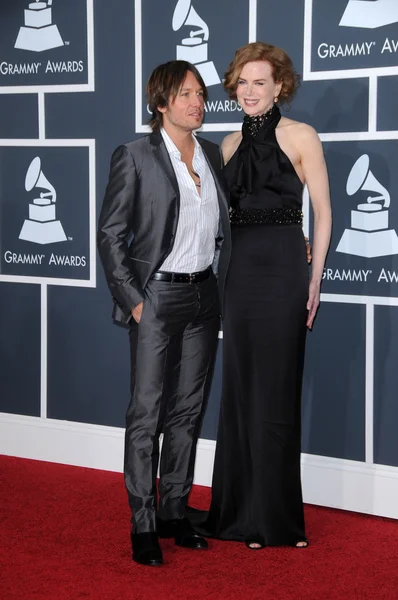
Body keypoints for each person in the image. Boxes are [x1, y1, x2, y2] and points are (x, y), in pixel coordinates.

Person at [195, 42, 332, 549]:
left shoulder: (302, 136)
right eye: (242, 83)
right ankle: (238, 513)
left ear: (280, 87)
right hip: (240, 274)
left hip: (283, 272)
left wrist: (314, 276)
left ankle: (274, 519)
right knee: (240, 388)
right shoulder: (227, 145)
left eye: (260, 82)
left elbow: (322, 209)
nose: (249, 92)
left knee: (277, 389)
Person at [97, 60, 231, 566]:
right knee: (146, 412)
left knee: (187, 411)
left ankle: (175, 511)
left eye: (200, 94)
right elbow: (110, 235)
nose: (197, 102)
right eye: (185, 94)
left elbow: (231, 226)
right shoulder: (134, 156)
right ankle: (143, 522)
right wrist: (134, 300)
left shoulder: (215, 155)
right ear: (160, 103)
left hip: (204, 297)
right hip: (155, 298)